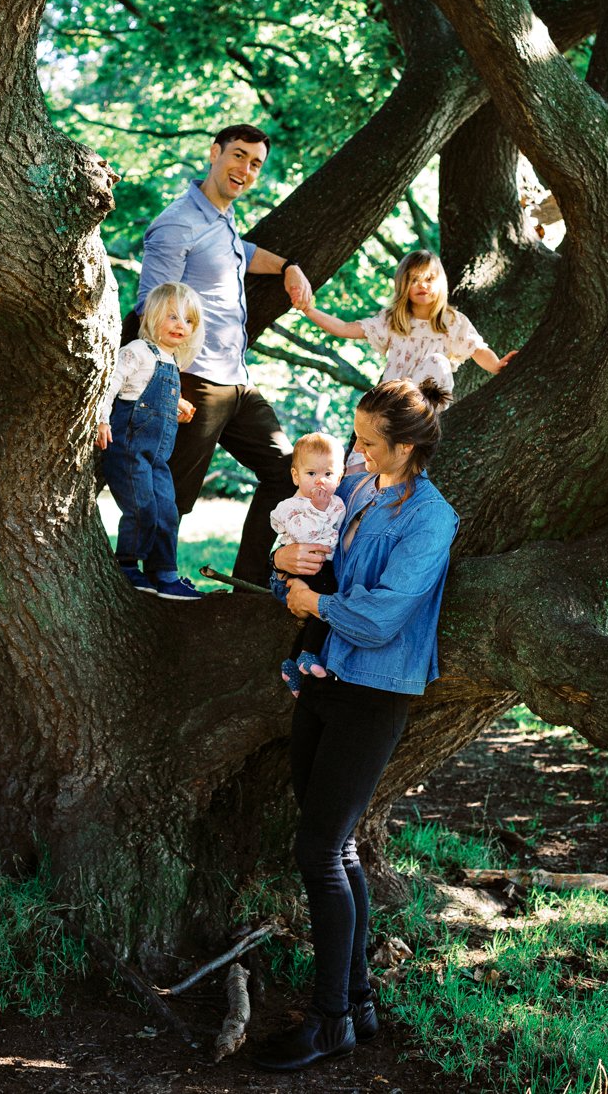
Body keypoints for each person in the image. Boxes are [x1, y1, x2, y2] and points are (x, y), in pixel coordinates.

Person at [254, 378, 459, 1072]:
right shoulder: (360, 492)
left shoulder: (431, 519)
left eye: (367, 441)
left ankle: (330, 1020)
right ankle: (359, 1001)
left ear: (405, 447)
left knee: (319, 851)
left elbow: (377, 617)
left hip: (374, 691)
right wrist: (283, 571)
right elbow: (313, 565)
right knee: (333, 846)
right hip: (322, 676)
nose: (353, 450)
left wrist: (312, 598)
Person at [124, 124, 312, 585]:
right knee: (173, 492)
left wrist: (287, 266)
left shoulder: (220, 220)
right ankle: (150, 583)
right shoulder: (177, 223)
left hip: (236, 382)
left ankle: (246, 582)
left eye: (255, 164)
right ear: (214, 153)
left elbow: (239, 253)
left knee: (286, 474)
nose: (245, 169)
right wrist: (164, 385)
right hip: (193, 379)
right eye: (238, 156)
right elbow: (152, 305)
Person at [97, 283, 205, 601]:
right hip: (129, 449)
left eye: (188, 321)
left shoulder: (170, 362)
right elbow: (110, 384)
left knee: (167, 511)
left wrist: (177, 408)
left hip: (157, 458)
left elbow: (156, 399)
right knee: (142, 507)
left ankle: (164, 573)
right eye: (172, 316)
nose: (180, 325)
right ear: (153, 315)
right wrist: (102, 419)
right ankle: (127, 564)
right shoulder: (137, 352)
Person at [303, 249, 517, 405]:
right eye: (414, 279)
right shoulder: (393, 320)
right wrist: (308, 310)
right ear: (403, 284)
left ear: (440, 283)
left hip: (426, 403)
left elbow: (477, 349)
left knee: (437, 361)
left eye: (429, 279)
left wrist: (497, 365)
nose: (422, 285)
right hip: (393, 400)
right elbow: (345, 328)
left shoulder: (451, 321)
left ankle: (411, 399)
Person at [270, 432, 346, 695]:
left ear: (339, 476)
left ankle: (294, 662)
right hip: (293, 572)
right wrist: (317, 509)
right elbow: (303, 536)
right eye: (311, 473)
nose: (319, 482)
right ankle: (307, 655)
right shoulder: (291, 506)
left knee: (324, 607)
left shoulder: (336, 504)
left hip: (320, 570)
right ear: (295, 476)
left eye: (328, 474)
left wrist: (325, 508)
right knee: (326, 604)